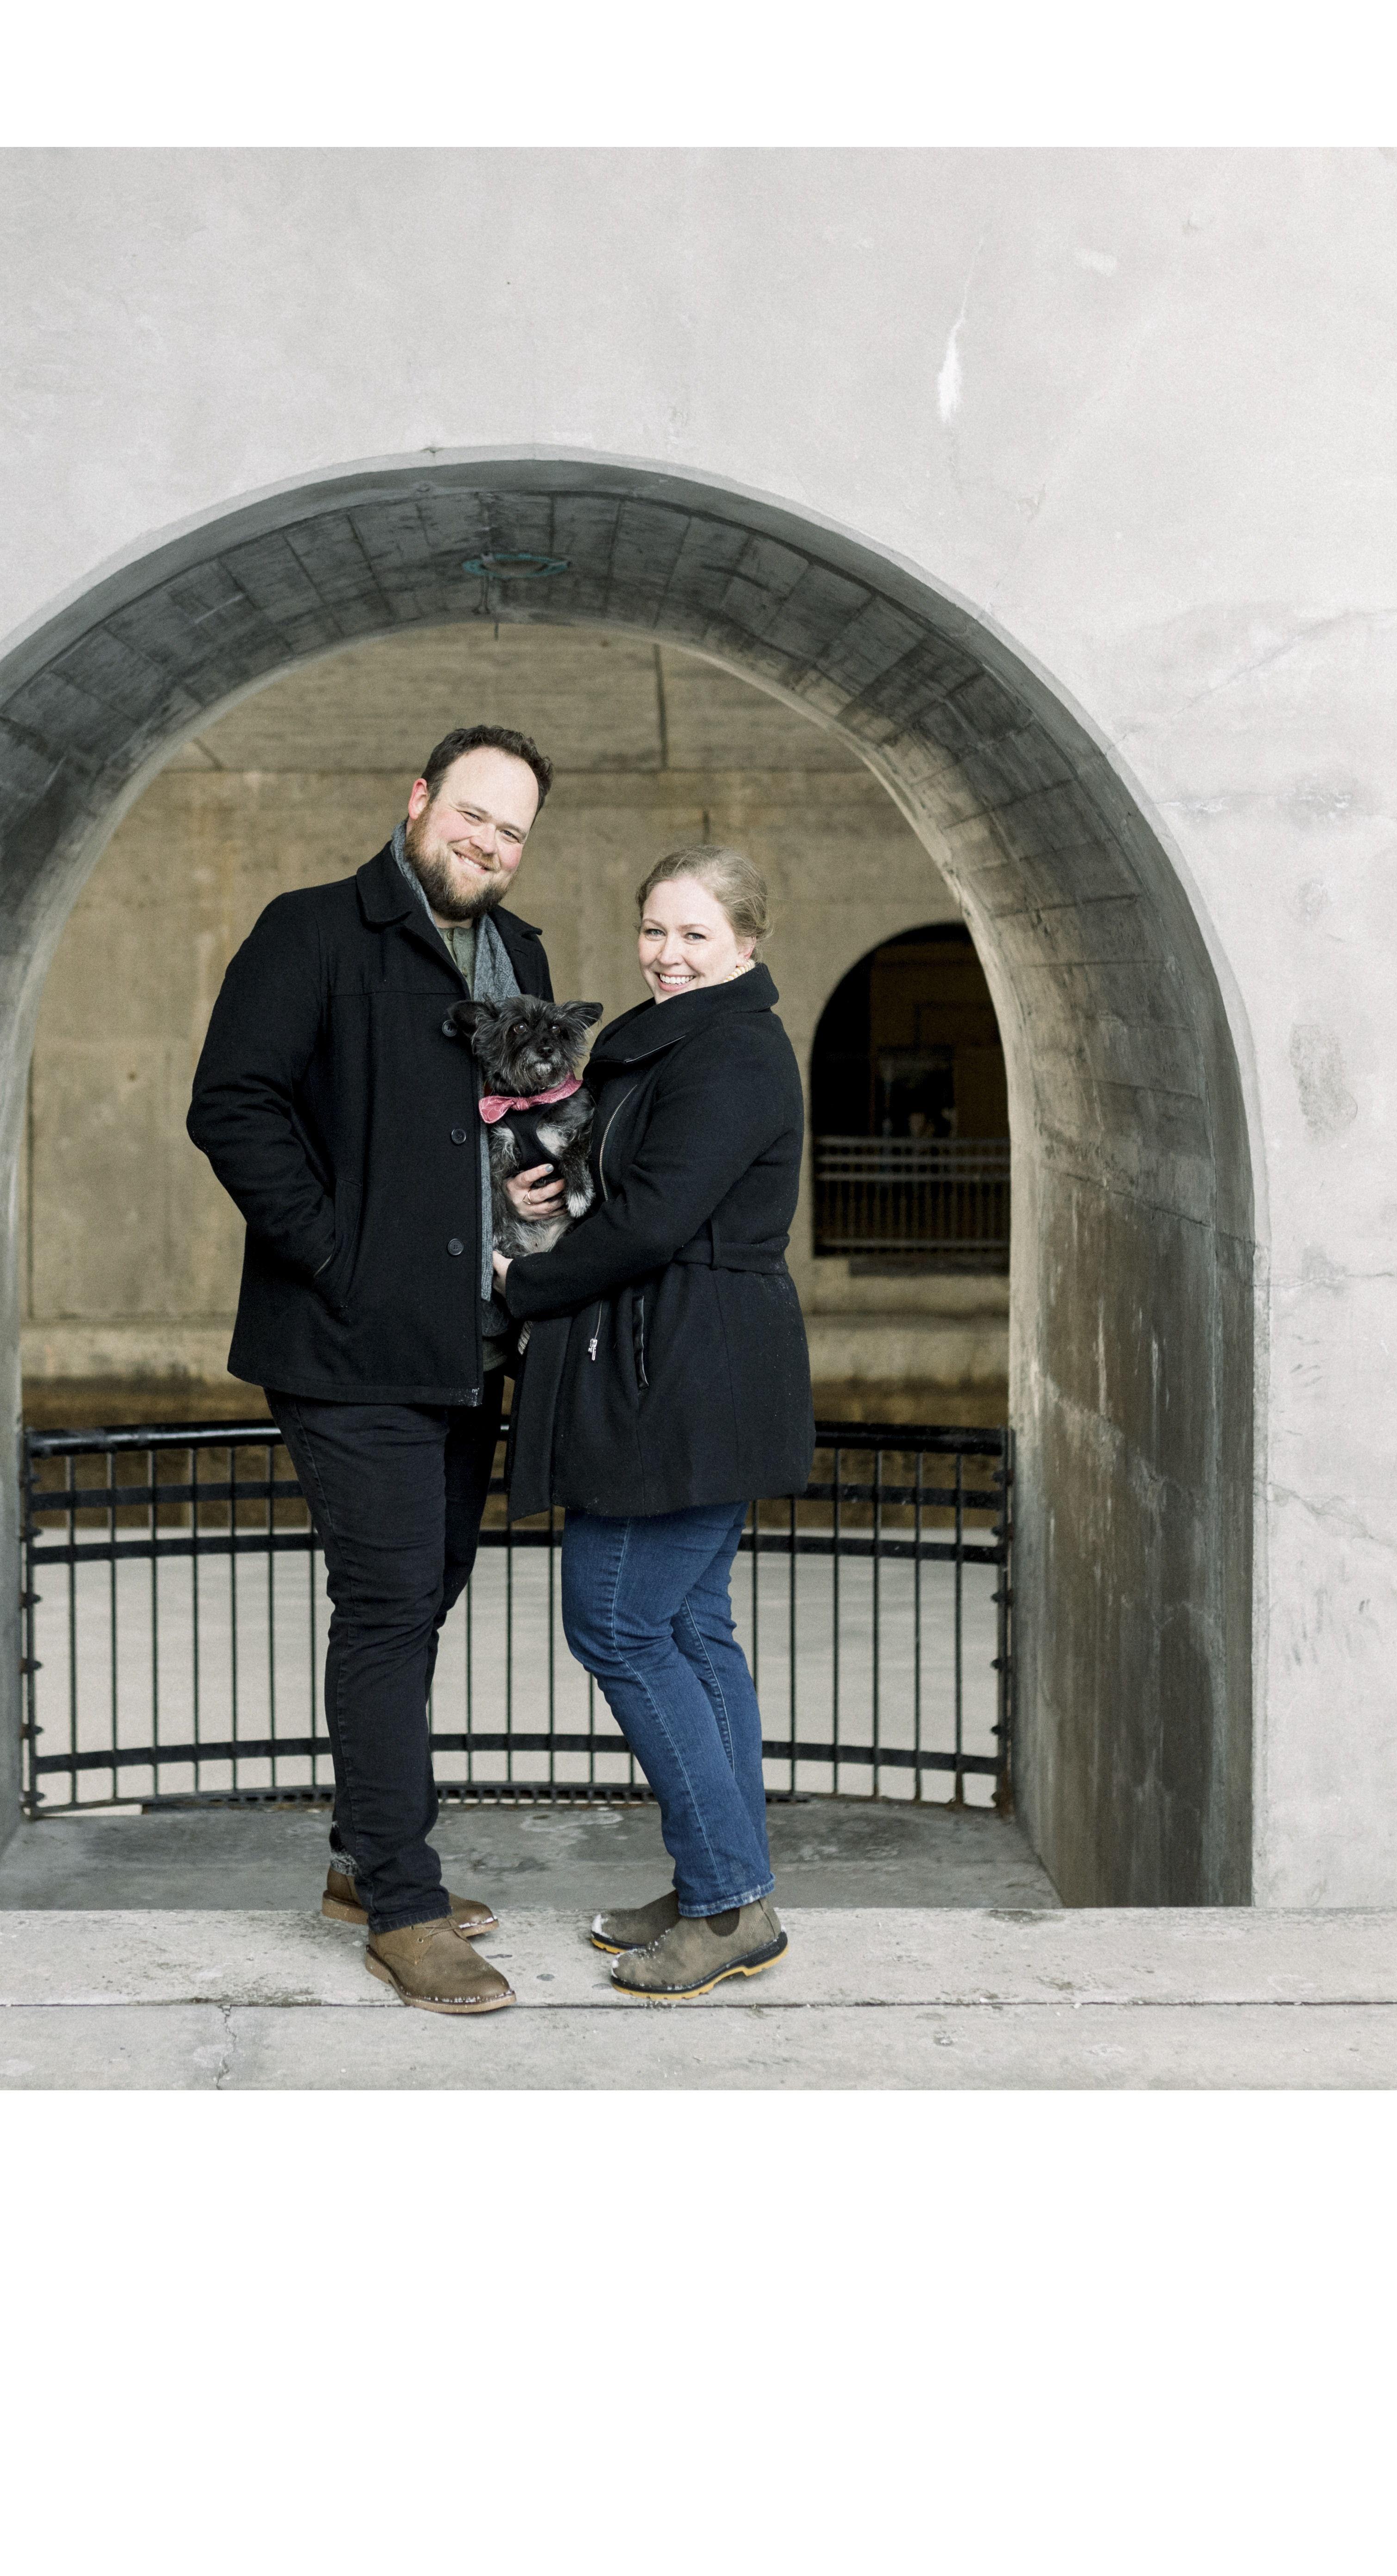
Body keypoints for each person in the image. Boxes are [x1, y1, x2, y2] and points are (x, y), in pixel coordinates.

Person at [185, 725, 570, 2014]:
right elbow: (232, 1101)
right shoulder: (310, 932)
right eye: (473, 814)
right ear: (417, 800)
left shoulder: (520, 954)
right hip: (349, 1346)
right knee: (391, 1604)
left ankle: (362, 1859)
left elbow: (511, 1116)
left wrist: (531, 1179)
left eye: (512, 830)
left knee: (427, 1590)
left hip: (469, 1345)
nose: (489, 843)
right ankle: (404, 1905)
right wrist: (334, 1252)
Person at [495, 843, 813, 1999]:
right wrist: (543, 1187)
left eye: (694, 935)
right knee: (688, 1627)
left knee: (618, 1620)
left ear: (745, 944)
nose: (667, 955)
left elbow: (655, 1220)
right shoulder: (674, 1040)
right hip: (680, 1362)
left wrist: (523, 1280)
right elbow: (624, 1192)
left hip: (687, 1371)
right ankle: (723, 1886)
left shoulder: (731, 1052)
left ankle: (726, 1905)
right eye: (654, 931)